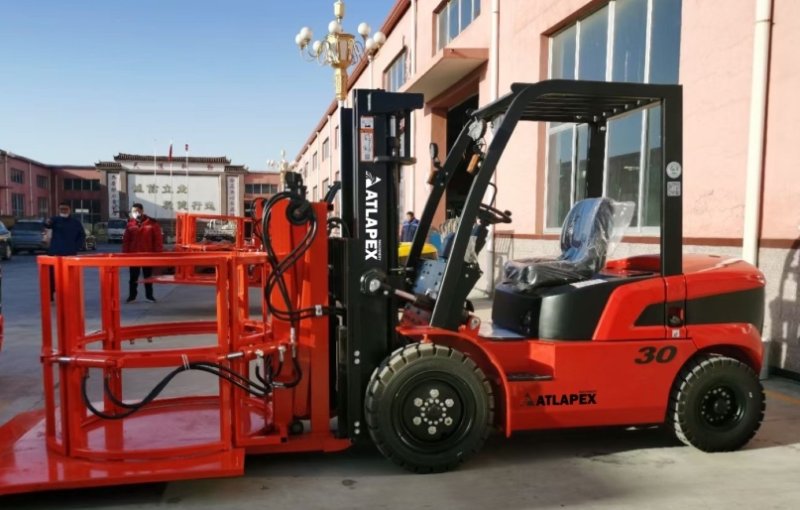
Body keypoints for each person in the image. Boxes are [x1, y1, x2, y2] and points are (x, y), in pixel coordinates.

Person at [122, 203, 163, 303]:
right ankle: (132, 297)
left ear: (142, 211)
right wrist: (125, 255)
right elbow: (126, 241)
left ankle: (149, 296)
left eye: (137, 211)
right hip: (134, 255)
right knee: (133, 277)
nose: (135, 213)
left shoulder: (152, 223)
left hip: (147, 254)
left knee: (148, 277)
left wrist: (158, 255)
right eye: (133, 211)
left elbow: (158, 240)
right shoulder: (130, 224)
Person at [45, 202, 86, 302]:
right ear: (58, 210)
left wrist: (76, 247)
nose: (63, 211)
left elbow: (82, 235)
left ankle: (69, 294)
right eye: (61, 209)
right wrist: (47, 222)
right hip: (55, 252)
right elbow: (47, 225)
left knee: (70, 276)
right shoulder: (55, 220)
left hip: (70, 253)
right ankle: (51, 294)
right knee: (52, 276)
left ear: (70, 210)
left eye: (65, 209)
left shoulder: (75, 222)